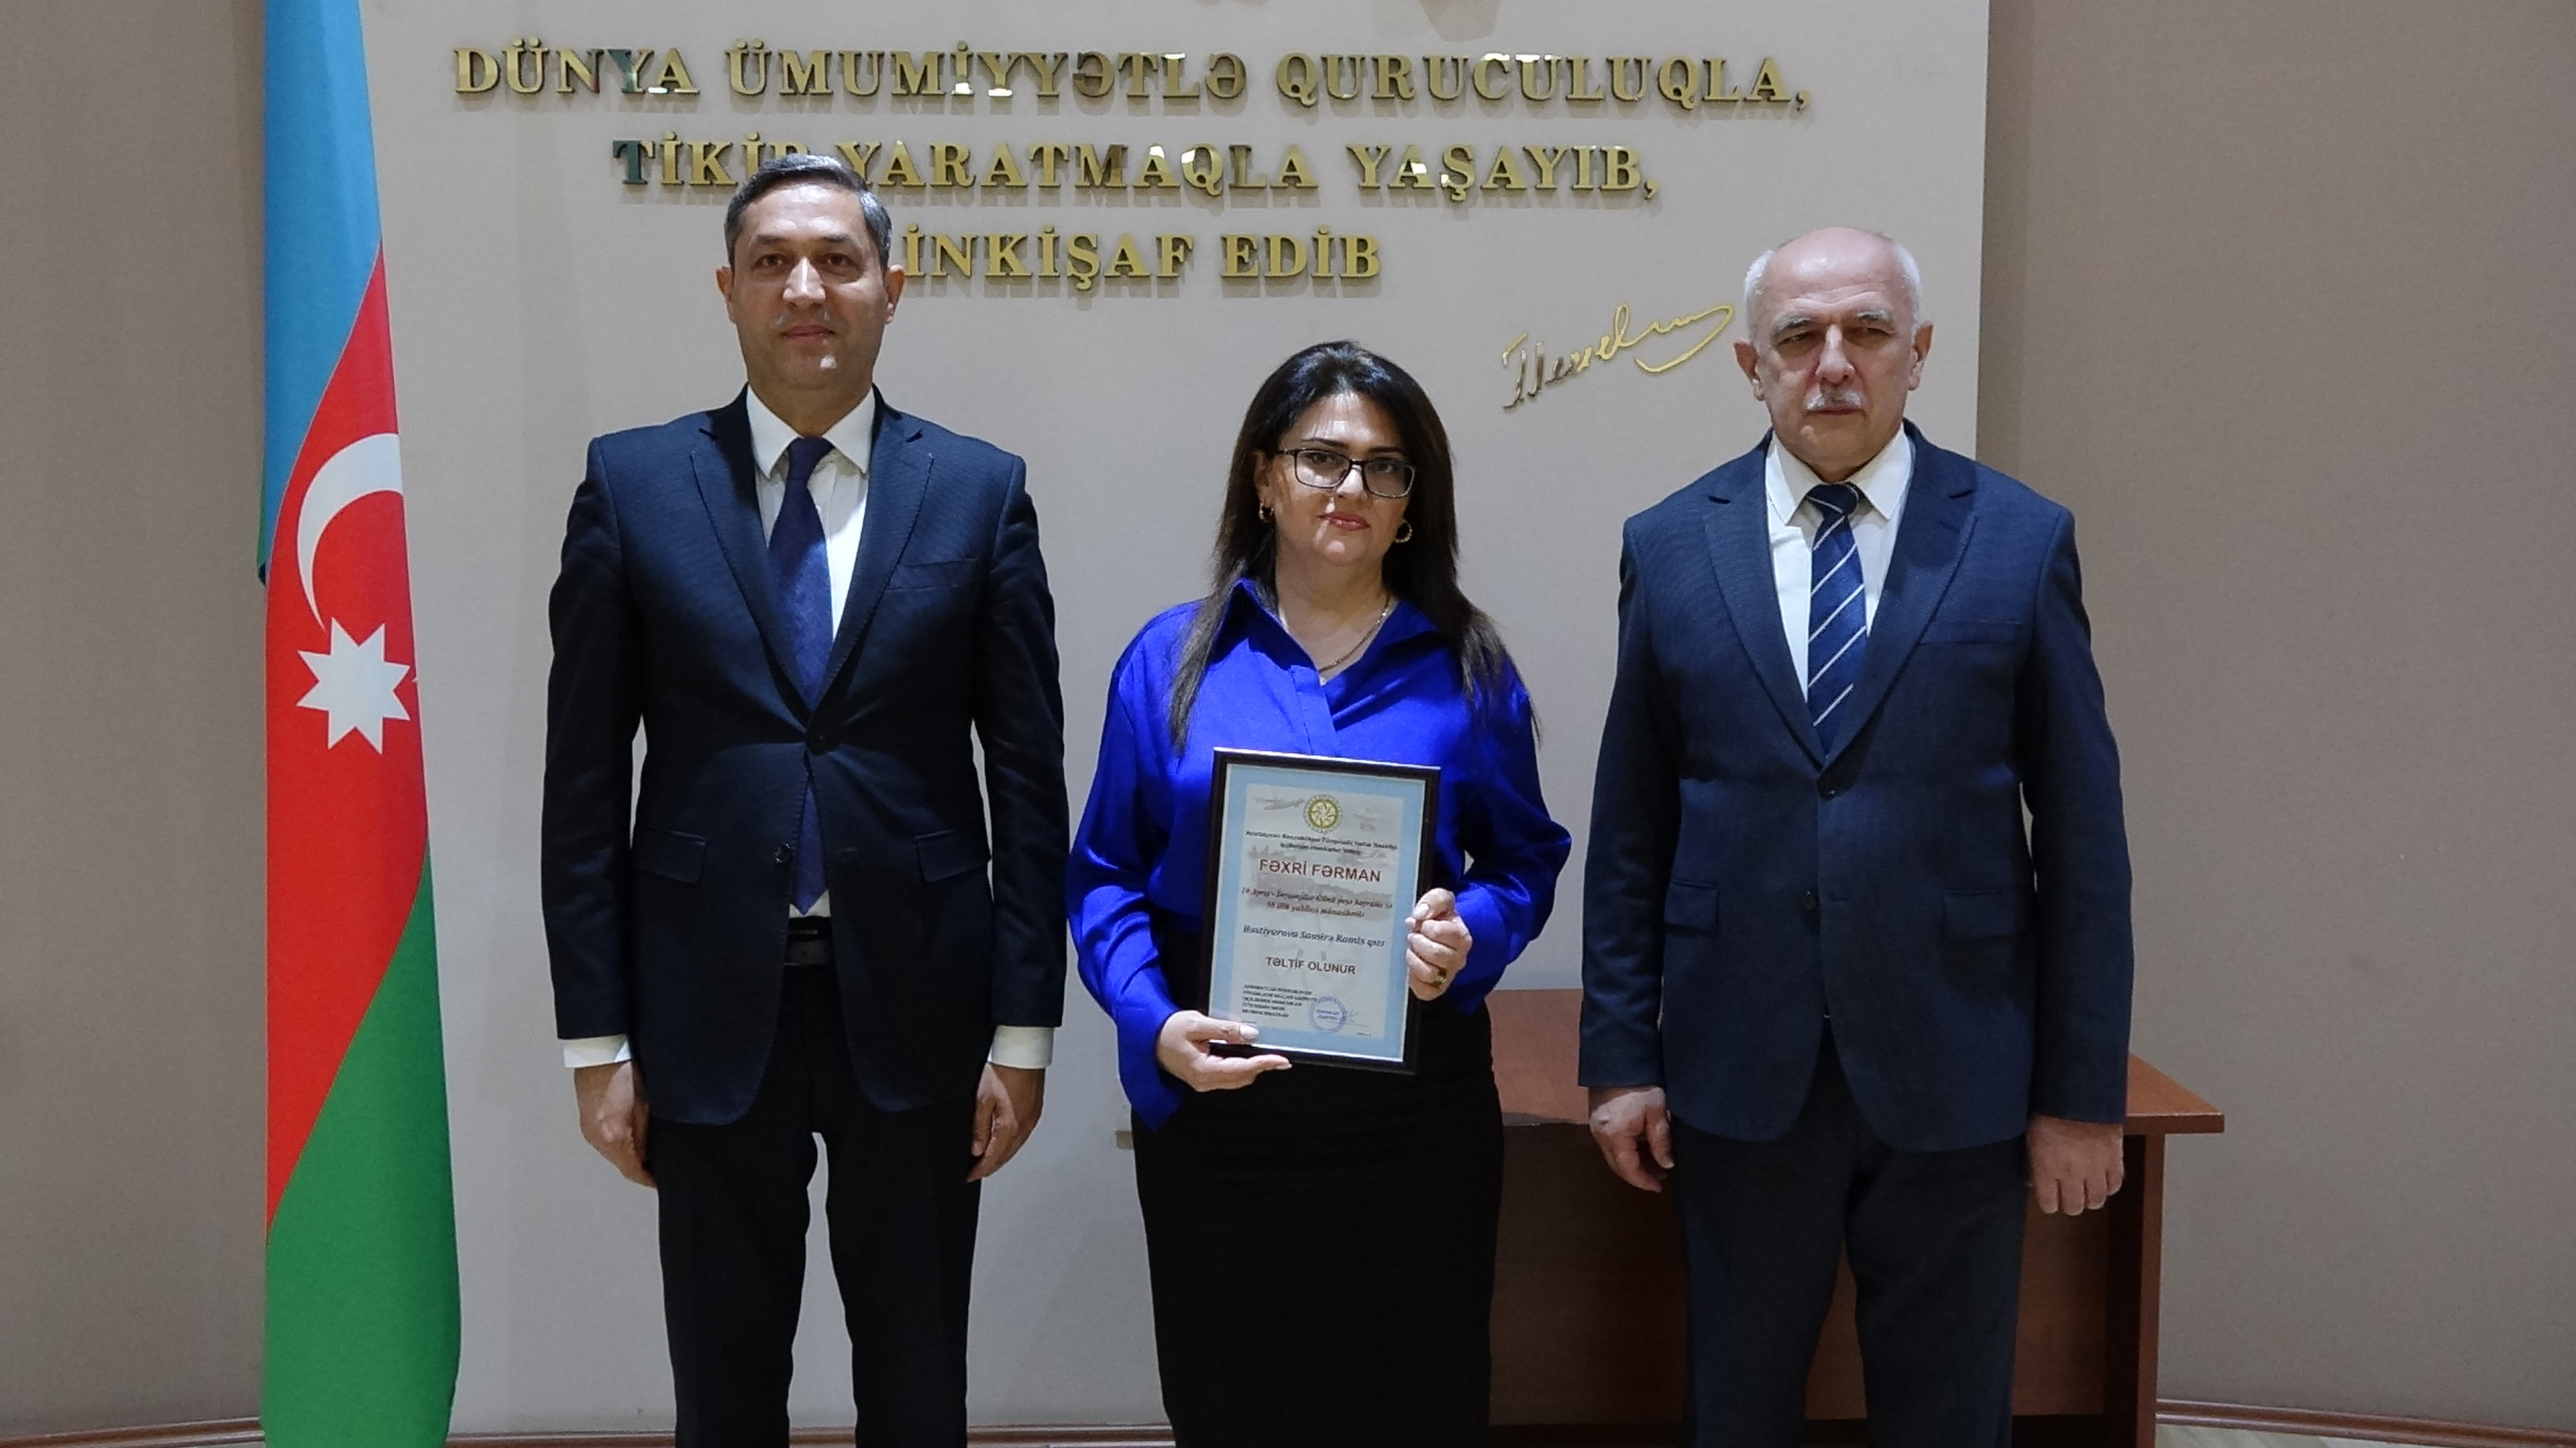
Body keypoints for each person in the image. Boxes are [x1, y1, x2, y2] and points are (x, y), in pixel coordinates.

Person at [540, 153, 1067, 1448]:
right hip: (706, 1004)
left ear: (894, 285)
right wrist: (596, 1042)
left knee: (918, 1386)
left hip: (923, 1002)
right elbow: (584, 784)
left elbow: (1028, 782)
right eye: (772, 261)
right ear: (727, 290)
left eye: (838, 260)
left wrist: (1024, 1032)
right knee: (723, 1392)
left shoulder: (980, 490)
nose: (805, 288)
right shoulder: (634, 484)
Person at [1581, 227, 2134, 1447]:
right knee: (1736, 1409)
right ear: (1752, 365)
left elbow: (2085, 839)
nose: (1834, 362)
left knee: (1951, 1416)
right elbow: (1630, 828)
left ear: (1918, 352)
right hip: (1738, 1072)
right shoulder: (1669, 546)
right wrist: (1619, 1060)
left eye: (1868, 331)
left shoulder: (2019, 538)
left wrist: (2081, 1095)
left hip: (1960, 1069)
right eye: (1800, 336)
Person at [1068, 341, 1572, 1447]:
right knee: (1233, 1403)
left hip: (1415, 1115)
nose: (1352, 488)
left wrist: (1471, 930)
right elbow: (1104, 874)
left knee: (1418, 1404)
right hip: (1221, 1100)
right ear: (1263, 478)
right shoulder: (1171, 659)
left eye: (1386, 469)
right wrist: (1153, 1021)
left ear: (1411, 505)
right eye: (1321, 458)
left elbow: (1526, 859)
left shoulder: (1468, 665)